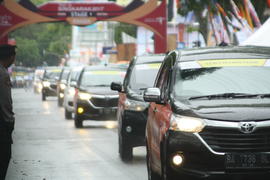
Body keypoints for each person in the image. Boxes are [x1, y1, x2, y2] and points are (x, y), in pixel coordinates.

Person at [0, 44, 16, 180]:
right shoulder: (3, 74)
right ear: (11, 57)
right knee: (4, 156)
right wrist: (10, 122)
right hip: (1, 124)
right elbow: (5, 101)